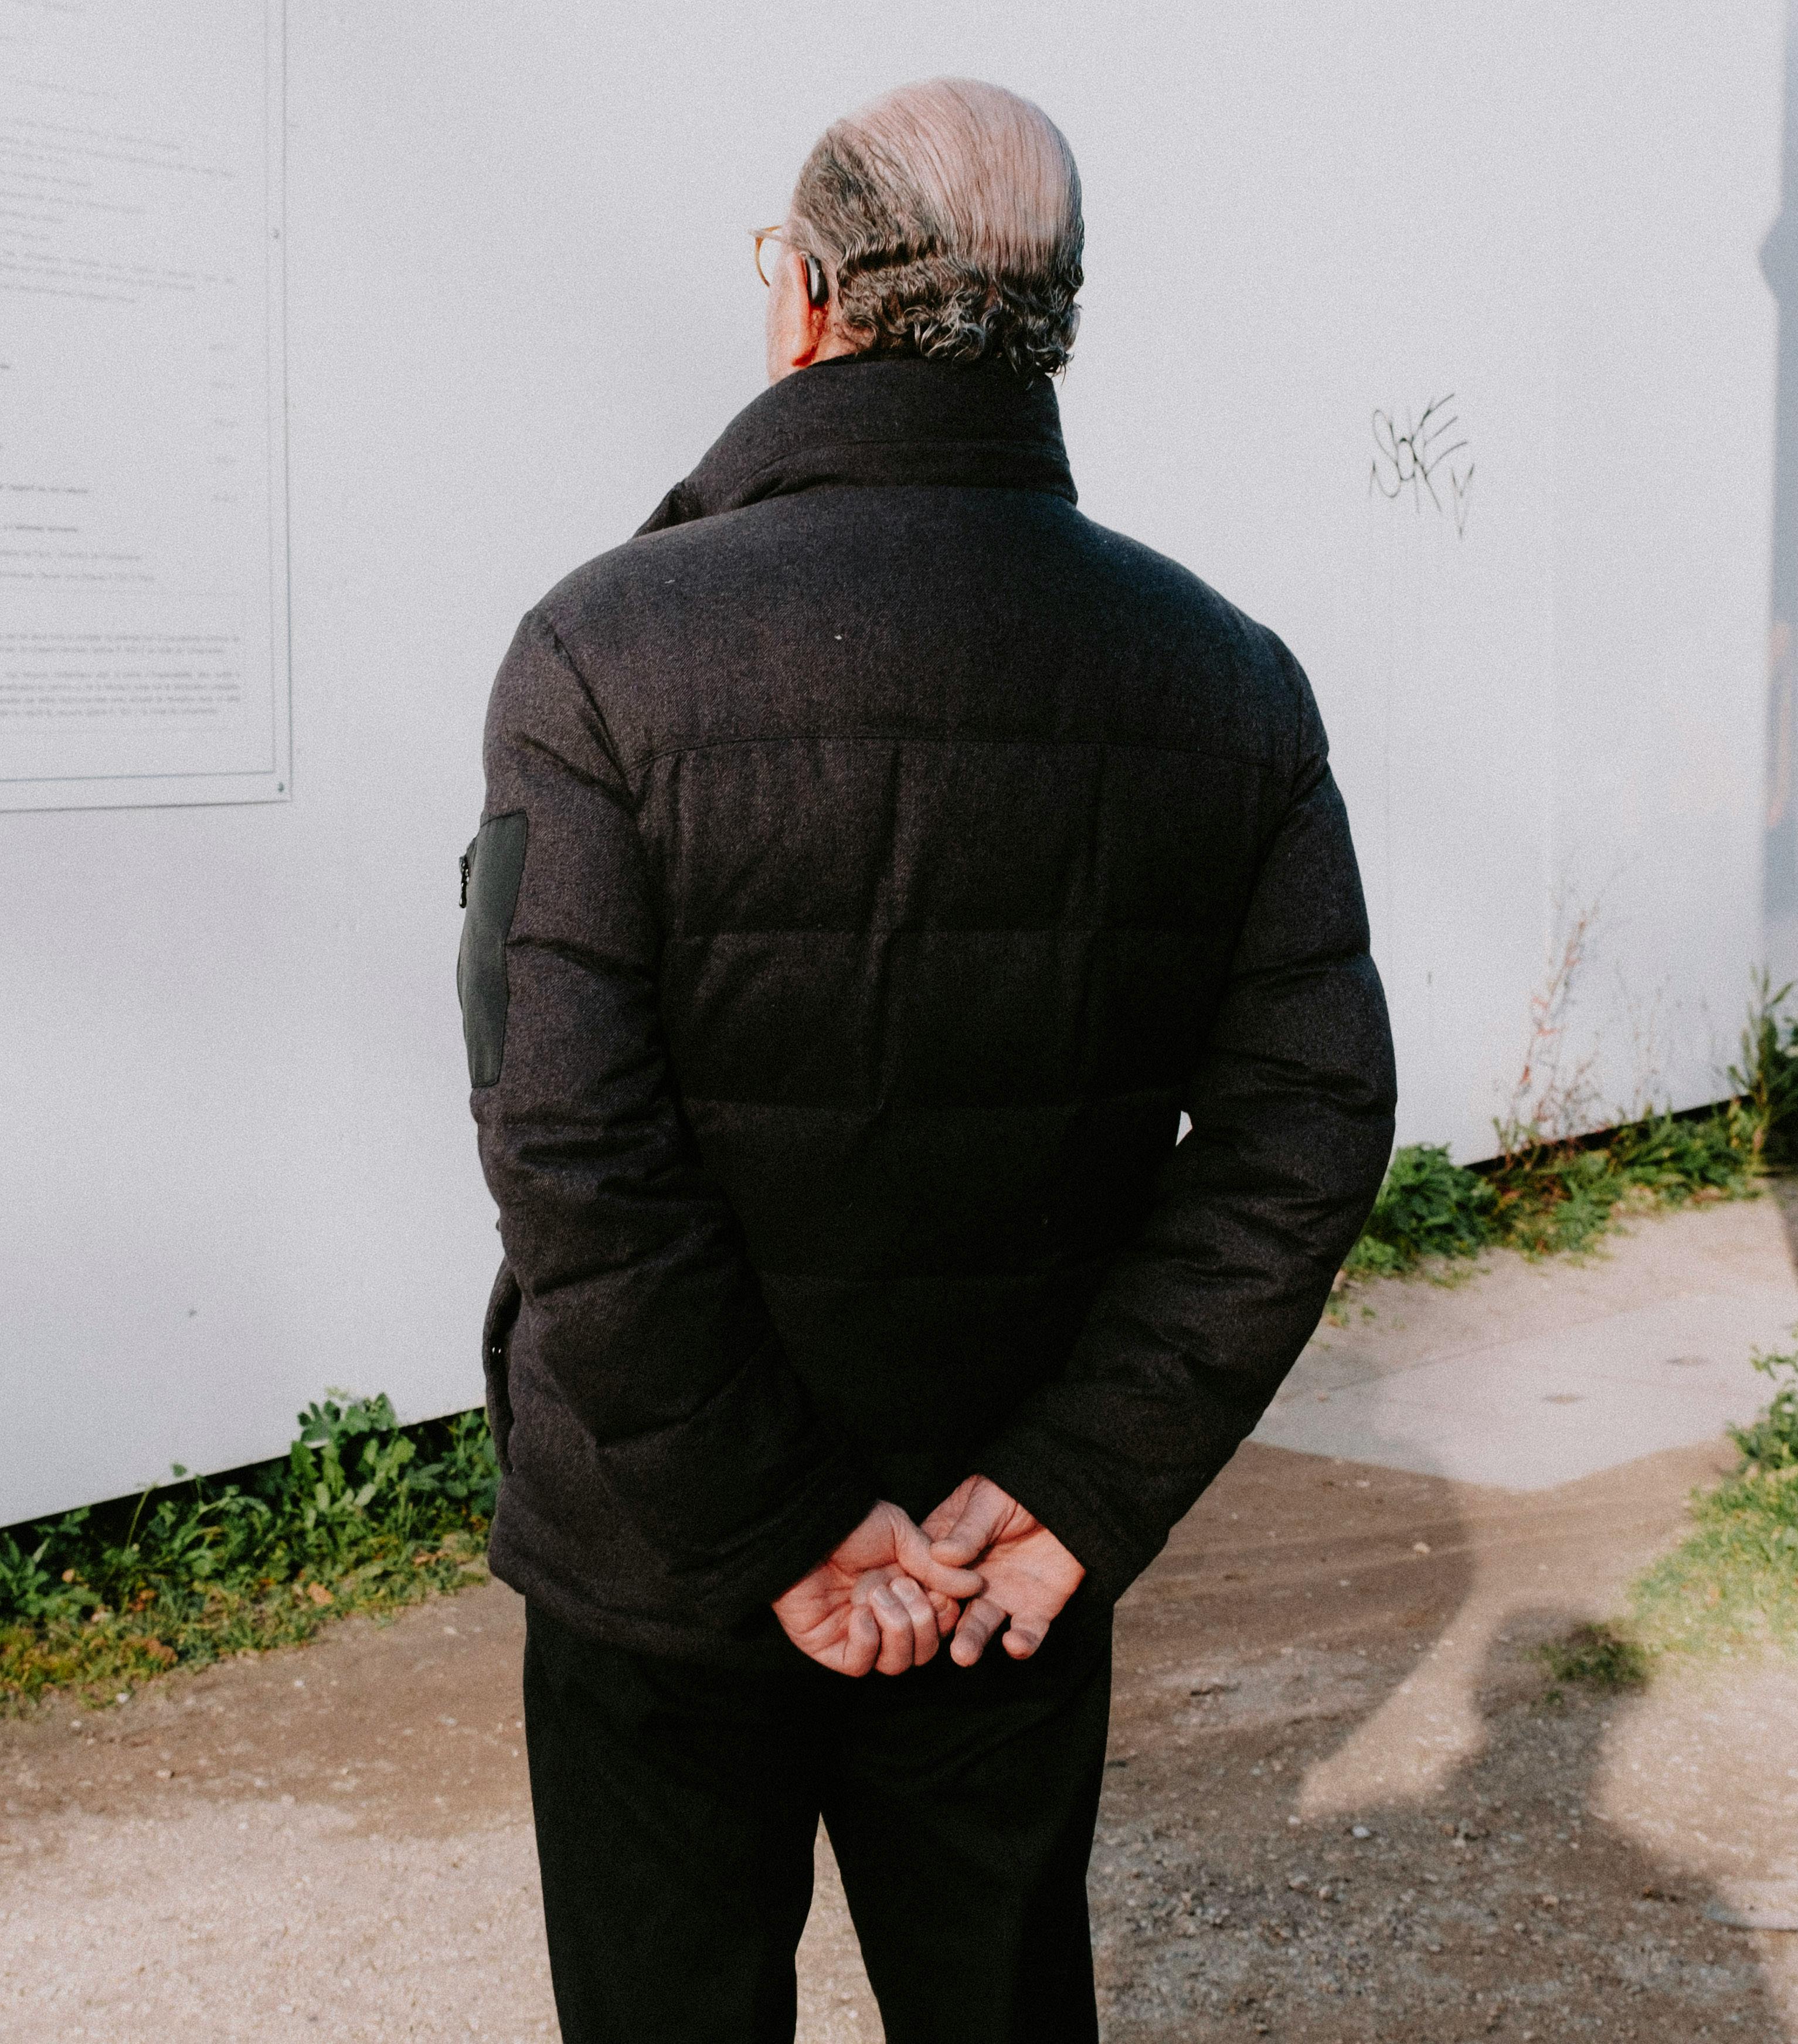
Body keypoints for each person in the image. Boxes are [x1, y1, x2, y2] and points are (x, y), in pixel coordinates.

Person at [457, 77, 1395, 2043]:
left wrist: (782, 1530)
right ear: (1051, 320)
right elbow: (1307, 1129)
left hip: (663, 1548)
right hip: (996, 1558)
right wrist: (1074, 1488)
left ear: (805, 297)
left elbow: (567, 1147)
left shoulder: (602, 651)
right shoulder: (1227, 678)